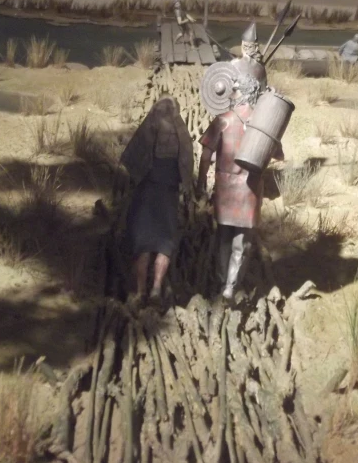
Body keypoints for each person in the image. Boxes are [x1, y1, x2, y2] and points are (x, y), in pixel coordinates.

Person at [197, 74, 283, 301]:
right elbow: (279, 155)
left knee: (223, 237)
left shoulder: (223, 119)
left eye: (234, 90)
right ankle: (230, 287)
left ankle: (220, 281)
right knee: (241, 243)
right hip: (250, 190)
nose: (231, 94)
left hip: (226, 189)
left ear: (241, 93)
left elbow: (205, 156)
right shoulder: (264, 123)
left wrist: (200, 183)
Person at [120, 96, 194, 304]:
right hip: (168, 193)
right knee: (164, 242)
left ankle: (140, 290)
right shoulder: (180, 131)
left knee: (143, 241)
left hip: (146, 191)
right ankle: (157, 288)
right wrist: (185, 185)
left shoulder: (150, 126)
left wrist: (134, 176)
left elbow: (134, 156)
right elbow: (187, 160)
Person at [230, 22, 268, 90]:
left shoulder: (234, 64)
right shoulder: (261, 68)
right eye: (244, 46)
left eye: (249, 47)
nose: (246, 49)